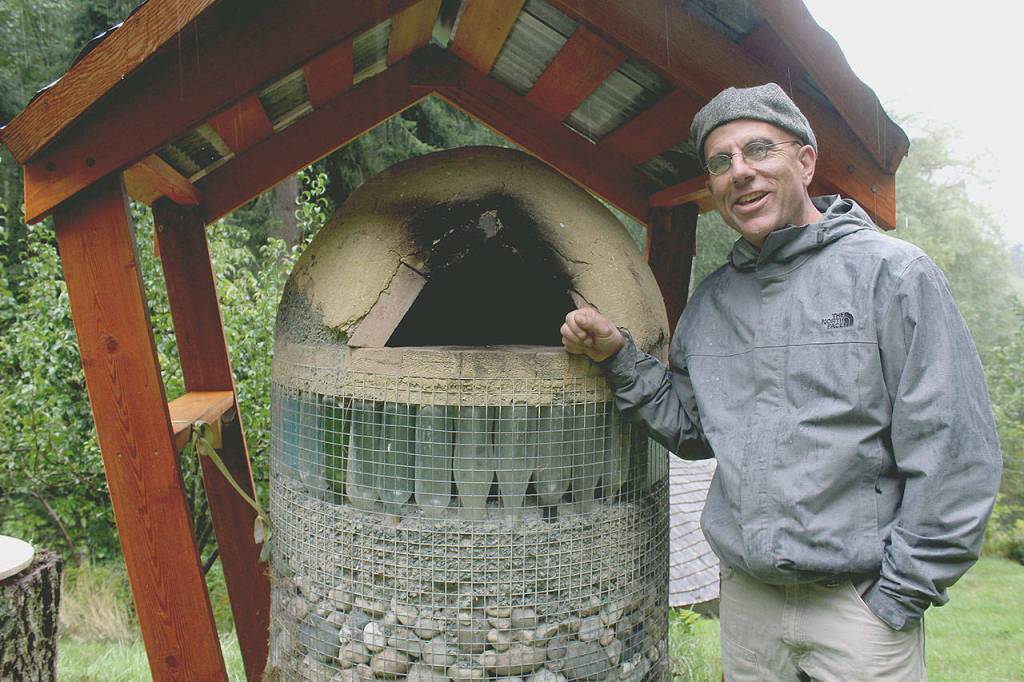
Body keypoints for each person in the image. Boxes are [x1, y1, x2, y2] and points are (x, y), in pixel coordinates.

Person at [561, 83, 1002, 681]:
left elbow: (955, 449)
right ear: (713, 189)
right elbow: (693, 429)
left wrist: (899, 594)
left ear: (805, 160)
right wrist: (619, 357)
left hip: (859, 606)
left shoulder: (894, 275)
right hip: (748, 605)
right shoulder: (714, 302)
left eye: (759, 151)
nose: (739, 173)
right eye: (721, 163)